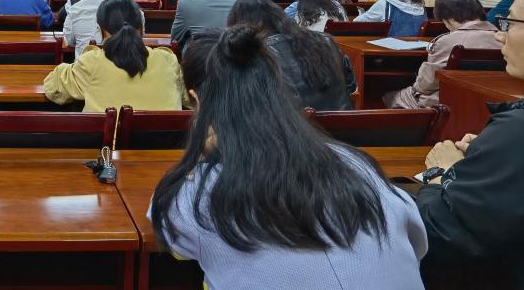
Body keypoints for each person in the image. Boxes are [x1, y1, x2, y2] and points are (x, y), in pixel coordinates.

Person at [150, 26, 427, 290]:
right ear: (279, 92)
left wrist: (200, 162)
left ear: (197, 102)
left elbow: (169, 232)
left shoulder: (198, 195)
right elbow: (416, 244)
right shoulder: (358, 164)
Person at [415, 0, 524, 287]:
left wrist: (440, 172)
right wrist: (492, 155)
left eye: (510, 23)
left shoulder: (516, 130)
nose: (500, 35)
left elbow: (440, 234)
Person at [44, 0, 183, 112]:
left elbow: (53, 88)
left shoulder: (91, 62)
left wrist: (64, 68)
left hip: (108, 138)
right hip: (167, 138)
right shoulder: (167, 60)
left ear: (100, 30)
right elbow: (188, 95)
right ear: (142, 28)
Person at [227, 0, 355, 110]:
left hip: (292, 128)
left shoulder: (255, 55)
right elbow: (351, 86)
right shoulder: (325, 40)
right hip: (345, 123)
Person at [384, 0, 501, 109]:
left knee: (390, 97)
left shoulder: (448, 41)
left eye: (443, 21)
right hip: (491, 101)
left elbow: (426, 85)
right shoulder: (502, 39)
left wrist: (413, 89)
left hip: (446, 101)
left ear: (450, 18)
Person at [64, 0, 135, 60]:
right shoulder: (134, 10)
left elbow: (69, 41)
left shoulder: (75, 9)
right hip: (124, 67)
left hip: (86, 66)